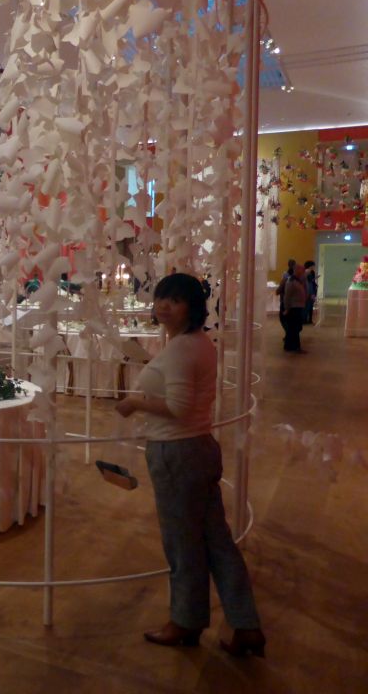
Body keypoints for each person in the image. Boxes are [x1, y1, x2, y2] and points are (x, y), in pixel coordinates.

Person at [115, 273, 265, 657]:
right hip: (196, 447)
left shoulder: (183, 349)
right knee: (216, 539)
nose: (164, 306)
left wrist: (134, 403)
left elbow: (179, 409)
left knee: (182, 544)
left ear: (193, 307)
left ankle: (185, 621)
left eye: (176, 300)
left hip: (177, 451)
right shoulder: (197, 343)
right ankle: (244, 623)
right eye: (162, 298)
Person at [283, 263, 308, 352]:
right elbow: (287, 296)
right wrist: (287, 308)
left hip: (298, 307)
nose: (303, 271)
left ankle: (292, 346)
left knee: (296, 328)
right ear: (296, 270)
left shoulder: (298, 280)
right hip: (294, 308)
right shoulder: (291, 281)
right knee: (294, 328)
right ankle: (293, 346)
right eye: (302, 270)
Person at [275, 259, 295, 330]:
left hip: (285, 301)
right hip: (295, 302)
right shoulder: (298, 278)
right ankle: (291, 335)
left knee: (283, 319)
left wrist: (278, 291)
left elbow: (279, 290)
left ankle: (288, 334)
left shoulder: (285, 277)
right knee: (292, 320)